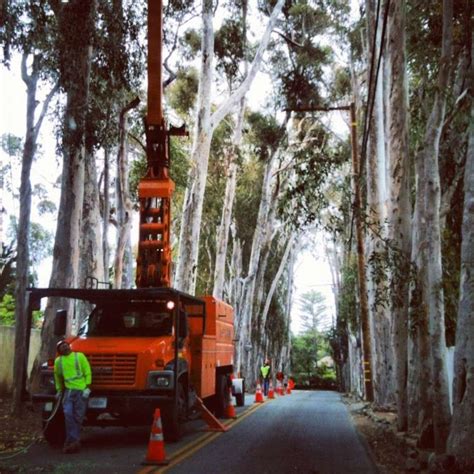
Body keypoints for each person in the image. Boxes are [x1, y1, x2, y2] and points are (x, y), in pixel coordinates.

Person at [54, 340, 92, 454]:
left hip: (81, 391)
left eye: (65, 345)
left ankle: (71, 442)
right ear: (59, 351)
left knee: (78, 417)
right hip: (69, 392)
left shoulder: (79, 356)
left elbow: (87, 371)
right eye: (62, 347)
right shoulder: (58, 361)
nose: (65, 347)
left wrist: (88, 387)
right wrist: (59, 390)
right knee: (68, 413)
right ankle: (74, 441)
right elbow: (58, 377)